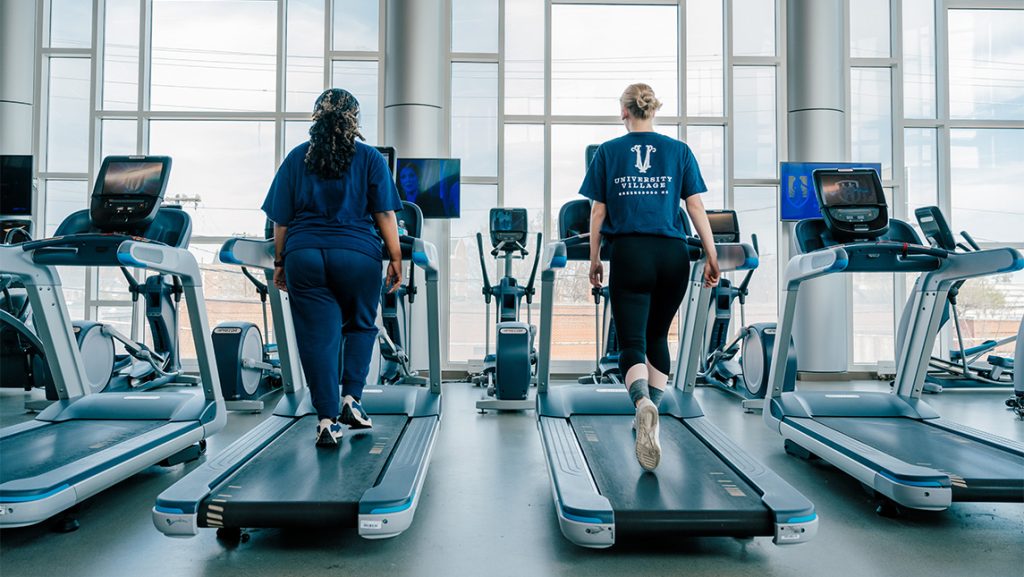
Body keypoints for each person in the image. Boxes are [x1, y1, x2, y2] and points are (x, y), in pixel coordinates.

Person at [579, 83, 720, 472]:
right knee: (658, 336)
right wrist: (711, 255)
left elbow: (597, 213)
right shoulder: (679, 151)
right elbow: (695, 206)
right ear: (652, 110)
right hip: (673, 255)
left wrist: (594, 259)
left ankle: (642, 404)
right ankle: (652, 414)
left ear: (623, 111)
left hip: (630, 253)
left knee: (632, 341)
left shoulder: (608, 152)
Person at [262, 88, 404, 448]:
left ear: (316, 118)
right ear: (355, 119)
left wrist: (280, 262)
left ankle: (326, 420)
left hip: (305, 255)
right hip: (357, 255)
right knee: (359, 326)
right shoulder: (370, 158)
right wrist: (396, 258)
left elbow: (281, 220)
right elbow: (385, 213)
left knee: (317, 339)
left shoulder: (297, 158)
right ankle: (351, 399)